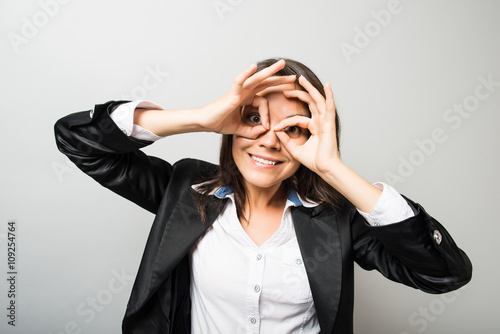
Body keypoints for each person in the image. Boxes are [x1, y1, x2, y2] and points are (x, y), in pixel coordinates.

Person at [54, 58, 472, 334]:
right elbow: (78, 140)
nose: (269, 140)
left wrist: (332, 169)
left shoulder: (337, 219)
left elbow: (444, 274)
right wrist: (199, 120)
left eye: (292, 128)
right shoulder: (185, 189)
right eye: (253, 118)